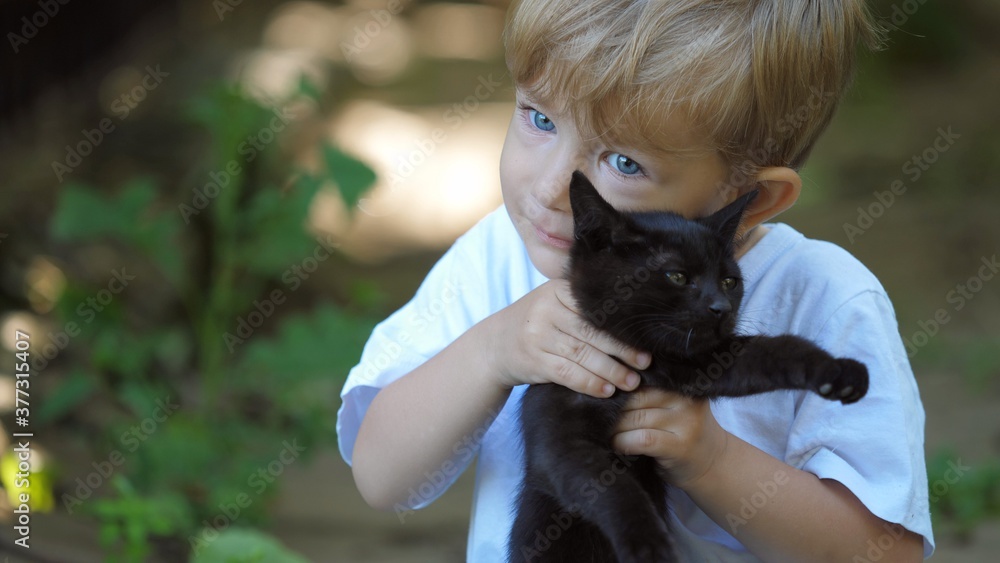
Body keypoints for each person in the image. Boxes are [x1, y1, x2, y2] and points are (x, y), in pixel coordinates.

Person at [337, 0, 934, 560]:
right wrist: (492, 351)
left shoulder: (822, 297)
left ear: (750, 199)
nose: (550, 189)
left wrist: (710, 460)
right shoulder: (497, 256)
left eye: (625, 162)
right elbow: (381, 476)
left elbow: (887, 553)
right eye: (539, 118)